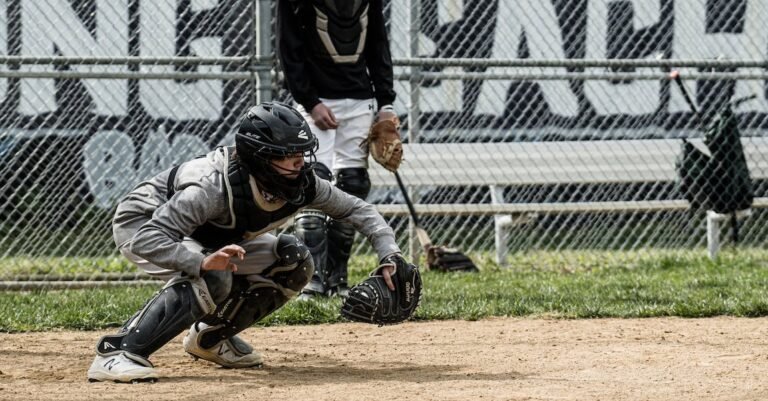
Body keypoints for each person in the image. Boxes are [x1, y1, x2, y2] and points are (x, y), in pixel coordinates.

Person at [86, 102, 406, 383]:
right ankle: (119, 351)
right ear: (261, 158)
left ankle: (209, 339)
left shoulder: (301, 182)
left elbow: (356, 208)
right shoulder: (212, 187)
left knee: (293, 260)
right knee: (213, 275)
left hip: (206, 236)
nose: (300, 163)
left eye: (301, 154)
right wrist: (198, 263)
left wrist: (389, 253)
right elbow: (147, 238)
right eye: (288, 156)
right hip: (144, 224)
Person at [276, 0, 398, 299]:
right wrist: (310, 101)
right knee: (314, 185)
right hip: (317, 100)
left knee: (353, 187)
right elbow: (287, 50)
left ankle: (337, 279)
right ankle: (311, 279)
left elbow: (378, 46)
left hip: (359, 99)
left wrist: (386, 104)